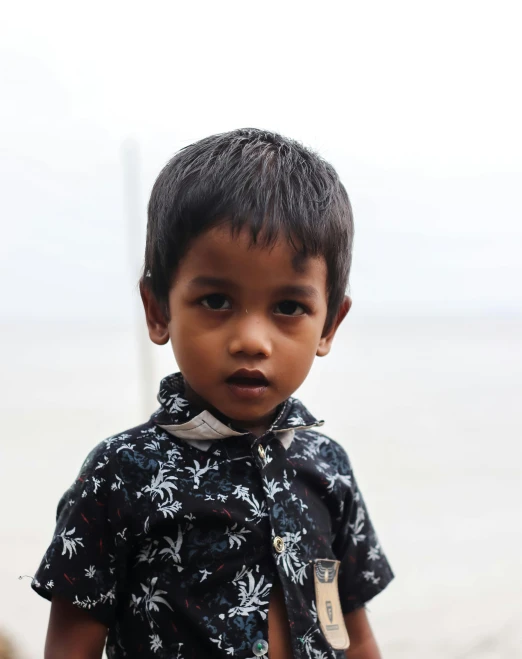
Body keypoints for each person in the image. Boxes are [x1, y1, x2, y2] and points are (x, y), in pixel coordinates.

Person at [32, 128, 394, 659]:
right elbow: (70, 645)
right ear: (159, 308)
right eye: (217, 299)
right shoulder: (121, 471)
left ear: (329, 325)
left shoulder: (328, 468)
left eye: (289, 307)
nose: (251, 339)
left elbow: (354, 633)